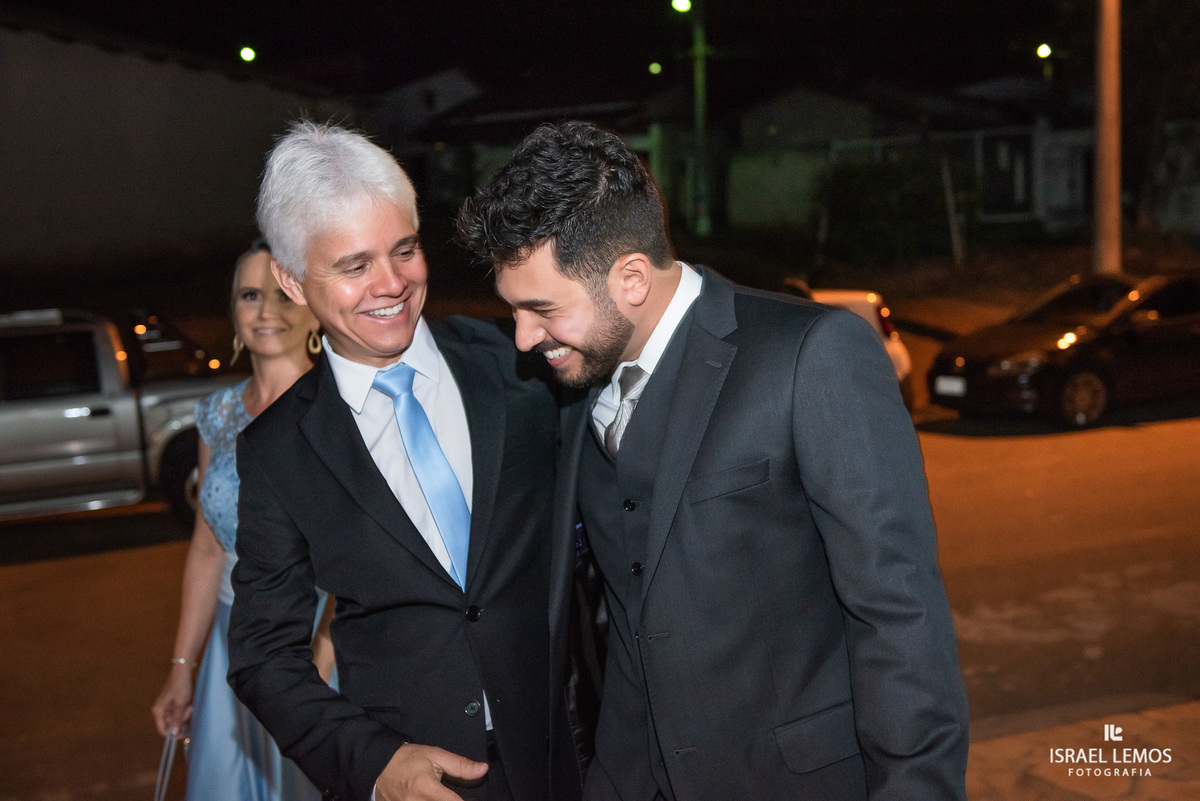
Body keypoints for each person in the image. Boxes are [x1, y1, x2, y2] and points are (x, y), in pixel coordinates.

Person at [456, 120, 970, 801]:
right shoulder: (577, 375)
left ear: (630, 278)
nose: (523, 337)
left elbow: (899, 615)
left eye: (541, 308)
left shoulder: (813, 355)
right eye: (514, 310)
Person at [225, 121, 577, 801]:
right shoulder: (277, 451)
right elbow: (263, 654)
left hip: (569, 760)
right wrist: (374, 763)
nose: (392, 284)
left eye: (405, 250)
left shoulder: (520, 365)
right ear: (291, 281)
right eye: (354, 266)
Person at [151, 240, 332, 800]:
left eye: (283, 294)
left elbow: (368, 556)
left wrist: (321, 658)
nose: (265, 310)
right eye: (250, 295)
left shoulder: (341, 408)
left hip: (318, 641)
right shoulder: (218, 414)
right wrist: (182, 666)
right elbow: (208, 548)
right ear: (233, 313)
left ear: (314, 308)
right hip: (233, 645)